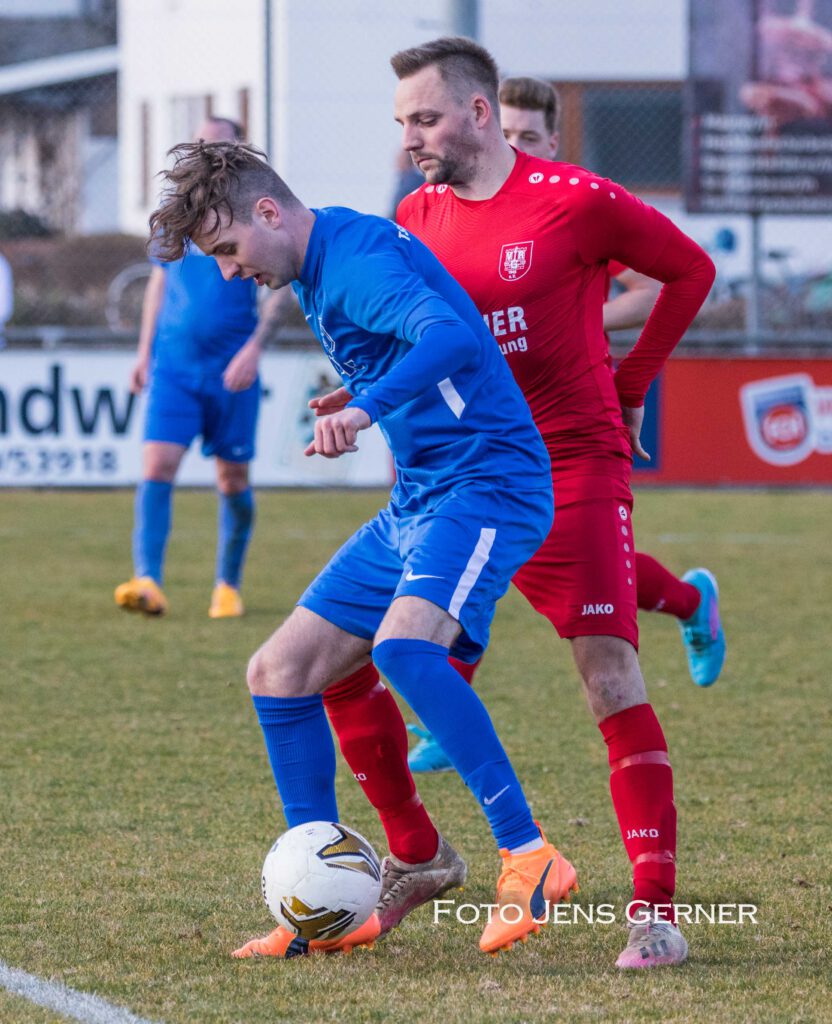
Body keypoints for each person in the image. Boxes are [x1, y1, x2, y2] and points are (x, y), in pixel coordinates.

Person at [318, 37, 717, 970]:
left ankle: (654, 913)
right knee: (345, 657)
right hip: (464, 473)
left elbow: (690, 271)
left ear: (479, 112)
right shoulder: (415, 215)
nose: (410, 139)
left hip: (572, 462)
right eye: (402, 122)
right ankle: (420, 856)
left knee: (608, 674)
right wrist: (374, 406)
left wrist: (632, 383)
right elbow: (416, 340)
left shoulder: (576, 200)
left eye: (425, 118)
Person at [148, 139, 579, 959]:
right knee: (280, 672)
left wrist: (365, 408)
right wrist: (363, 386)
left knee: (404, 650)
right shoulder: (323, 259)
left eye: (229, 250)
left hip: (487, 483)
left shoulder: (351, 263)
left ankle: (531, 856)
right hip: (421, 497)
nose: (231, 273)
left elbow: (450, 338)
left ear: (268, 212)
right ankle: (335, 891)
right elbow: (424, 339)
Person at [406, 76, 726, 773]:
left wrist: (571, 312)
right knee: (495, 564)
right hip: (489, 442)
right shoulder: (434, 210)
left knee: (578, 600)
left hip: (574, 427)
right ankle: (443, 715)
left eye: (528, 135)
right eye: (507, 131)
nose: (513, 143)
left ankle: (689, 601)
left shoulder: (574, 204)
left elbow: (658, 286)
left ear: (551, 141)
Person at [114, 117, 283, 619]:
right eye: (200, 142)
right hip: (174, 370)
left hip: (230, 373)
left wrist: (254, 349)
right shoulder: (176, 215)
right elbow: (159, 283)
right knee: (156, 466)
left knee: (232, 479)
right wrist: (144, 353)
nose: (205, 151)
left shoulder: (256, 210)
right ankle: (148, 580)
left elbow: (281, 288)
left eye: (215, 143)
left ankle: (227, 586)